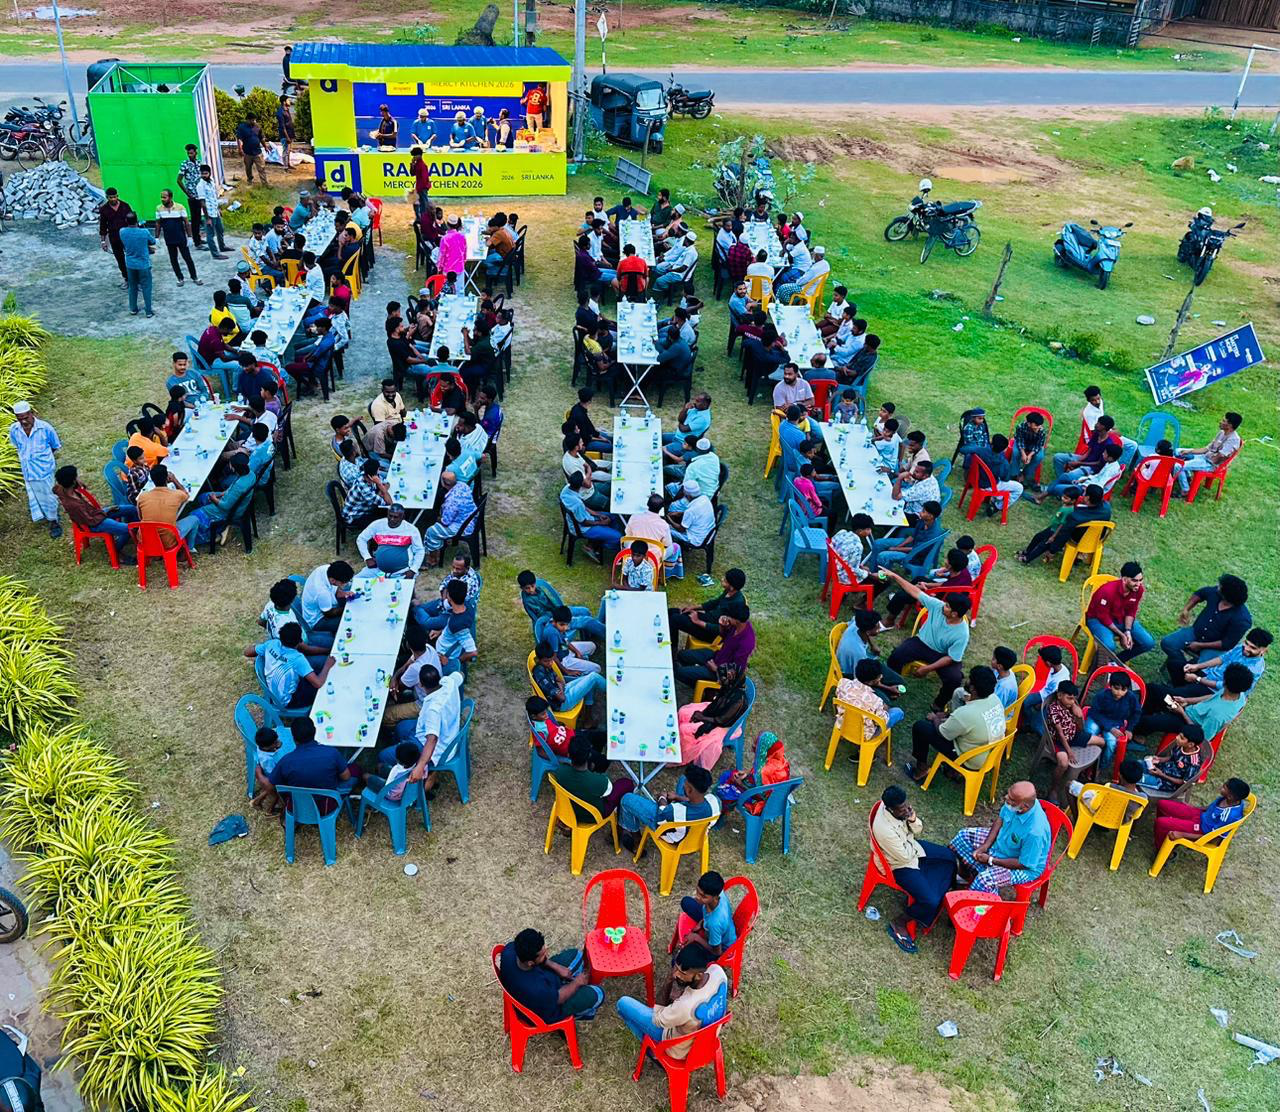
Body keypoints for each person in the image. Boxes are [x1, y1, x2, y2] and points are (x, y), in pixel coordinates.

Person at [875, 785, 958, 952]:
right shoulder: (885, 830)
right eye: (902, 809)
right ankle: (899, 922)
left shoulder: (899, 809)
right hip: (897, 864)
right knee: (930, 900)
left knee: (949, 858)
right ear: (891, 809)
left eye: (907, 805)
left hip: (910, 846)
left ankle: (937, 892)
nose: (907, 810)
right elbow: (905, 857)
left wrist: (912, 819)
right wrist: (916, 849)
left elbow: (917, 830)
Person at [616, 942, 727, 1058]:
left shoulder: (685, 1006)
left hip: (678, 1050)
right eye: (676, 968)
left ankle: (652, 1051)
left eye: (682, 973)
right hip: (706, 1041)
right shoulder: (718, 972)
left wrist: (668, 981)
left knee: (623, 1003)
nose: (675, 974)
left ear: (699, 975)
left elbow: (656, 1019)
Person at [903, 666, 1004, 783]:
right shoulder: (994, 699)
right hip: (990, 753)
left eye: (969, 679)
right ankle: (952, 771)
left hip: (969, 760)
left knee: (921, 727)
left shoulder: (965, 714)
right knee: (959, 697)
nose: (967, 680)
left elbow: (942, 732)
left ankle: (921, 771)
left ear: (973, 689)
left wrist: (935, 718)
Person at [500, 928, 604, 1024]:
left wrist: (555, 966)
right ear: (530, 963)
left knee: (576, 955)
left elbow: (539, 962)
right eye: (542, 955)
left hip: (540, 987)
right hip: (546, 1012)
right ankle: (578, 1015)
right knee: (598, 993)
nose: (546, 954)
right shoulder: (537, 989)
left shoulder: (509, 951)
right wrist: (577, 982)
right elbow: (560, 997)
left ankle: (567, 984)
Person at [1161, 574, 1251, 682]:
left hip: (1214, 647)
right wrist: (1186, 609)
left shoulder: (1242, 619)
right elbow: (1201, 593)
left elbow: (1227, 643)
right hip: (1196, 633)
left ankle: (1183, 677)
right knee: (1168, 643)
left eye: (1220, 586)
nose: (1217, 587)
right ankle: (1182, 668)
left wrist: (1199, 645)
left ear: (1227, 595)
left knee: (1203, 669)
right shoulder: (1216, 593)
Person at [1137, 661, 1253, 741]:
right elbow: (1210, 697)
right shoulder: (1239, 694)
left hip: (1186, 723)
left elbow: (1201, 736)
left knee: (1147, 721)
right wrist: (1187, 700)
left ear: (1225, 683)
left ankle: (1138, 733)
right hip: (1188, 709)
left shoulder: (1217, 716)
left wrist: (1181, 712)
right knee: (1153, 689)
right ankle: (1145, 713)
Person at [618, 764, 721, 853]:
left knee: (627, 799)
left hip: (674, 836)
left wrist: (662, 798)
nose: (684, 786)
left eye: (686, 786)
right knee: (683, 778)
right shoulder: (715, 802)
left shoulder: (676, 811)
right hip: (695, 833)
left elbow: (662, 813)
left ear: (690, 790)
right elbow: (691, 800)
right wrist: (678, 797)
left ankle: (637, 843)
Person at [1017, 484, 1111, 566]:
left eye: (1085, 494)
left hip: (1078, 538)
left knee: (1046, 540)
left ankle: (1027, 558)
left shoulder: (1076, 516)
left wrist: (1053, 550)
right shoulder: (1107, 508)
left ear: (1087, 498)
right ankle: (1028, 553)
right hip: (1095, 539)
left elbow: (1063, 533)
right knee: (1044, 535)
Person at [1151, 777, 1249, 854]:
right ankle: (1162, 836)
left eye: (1224, 788)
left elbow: (1212, 838)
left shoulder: (1229, 816)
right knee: (1162, 804)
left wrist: (1182, 834)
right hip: (1200, 815)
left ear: (1230, 796)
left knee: (1161, 823)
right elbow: (1211, 808)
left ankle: (1164, 852)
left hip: (1200, 829)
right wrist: (1194, 808)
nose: (1220, 787)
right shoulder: (1230, 799)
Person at [250, 622, 336, 709]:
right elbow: (318, 683)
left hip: (273, 696)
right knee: (327, 680)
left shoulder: (272, 644)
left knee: (313, 672)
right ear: (300, 641)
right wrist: (327, 665)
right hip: (288, 701)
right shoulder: (297, 658)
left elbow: (247, 652)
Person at [677, 664, 748, 769]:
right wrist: (703, 713)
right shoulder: (730, 686)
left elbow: (722, 720)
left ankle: (678, 752)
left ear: (731, 678)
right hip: (715, 713)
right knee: (684, 712)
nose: (718, 682)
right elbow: (715, 703)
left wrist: (702, 717)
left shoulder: (738, 701)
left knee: (686, 730)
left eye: (721, 679)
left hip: (723, 725)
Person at [1169, 627, 1270, 700]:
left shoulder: (1253, 669)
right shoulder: (1241, 648)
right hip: (1208, 673)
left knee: (1168, 693)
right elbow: (1222, 659)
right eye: (1246, 643)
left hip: (1213, 690)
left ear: (1264, 650)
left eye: (1252, 648)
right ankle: (1182, 690)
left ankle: (1182, 695)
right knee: (1173, 664)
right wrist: (1197, 666)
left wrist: (1197, 679)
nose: (1246, 648)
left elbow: (1225, 686)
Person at [8, 401, 62, 538]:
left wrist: (42, 459)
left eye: (26, 417)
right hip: (28, 470)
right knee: (35, 494)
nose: (24, 421)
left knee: (49, 495)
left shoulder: (45, 428)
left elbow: (54, 445)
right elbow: (17, 445)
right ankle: (42, 514)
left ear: (32, 413)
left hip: (44, 470)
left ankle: (54, 521)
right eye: (20, 419)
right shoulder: (14, 430)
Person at [548, 734, 633, 819]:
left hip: (568, 810)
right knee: (627, 783)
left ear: (568, 755)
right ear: (589, 755)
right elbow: (608, 791)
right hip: (593, 816)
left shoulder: (560, 771)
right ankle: (622, 820)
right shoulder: (598, 781)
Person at [52, 464, 138, 548]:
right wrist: (105, 512)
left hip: (94, 514)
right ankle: (117, 549)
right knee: (129, 528)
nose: (79, 478)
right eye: (77, 477)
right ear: (73, 481)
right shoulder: (75, 505)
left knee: (132, 509)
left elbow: (55, 488)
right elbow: (91, 521)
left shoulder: (61, 488)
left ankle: (134, 529)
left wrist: (78, 483)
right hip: (95, 523)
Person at [1085, 561, 1154, 662]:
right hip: (1098, 620)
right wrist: (1122, 635)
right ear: (1124, 579)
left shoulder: (1138, 590)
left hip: (1120, 618)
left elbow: (1131, 611)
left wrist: (1127, 631)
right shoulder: (1107, 591)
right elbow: (1103, 617)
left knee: (1148, 643)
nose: (1138, 584)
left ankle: (1117, 661)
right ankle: (1099, 667)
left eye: (1141, 580)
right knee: (1108, 646)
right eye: (1135, 581)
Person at [834, 658, 906, 748]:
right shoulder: (876, 701)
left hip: (842, 724)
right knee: (898, 712)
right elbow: (882, 722)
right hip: (864, 735)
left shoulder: (842, 683)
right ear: (871, 682)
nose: (881, 677)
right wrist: (885, 709)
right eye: (879, 676)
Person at [674, 610, 754, 689]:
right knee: (681, 655)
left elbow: (737, 672)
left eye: (728, 617)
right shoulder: (736, 626)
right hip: (716, 656)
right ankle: (693, 676)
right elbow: (723, 637)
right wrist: (722, 626)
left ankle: (703, 687)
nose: (726, 618)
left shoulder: (746, 642)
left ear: (736, 620)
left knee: (678, 672)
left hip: (718, 672)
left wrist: (716, 669)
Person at [518, 570, 605, 642]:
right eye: (527, 588)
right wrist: (560, 614)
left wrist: (560, 607)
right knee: (587, 620)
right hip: (554, 620)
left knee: (584, 611)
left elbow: (553, 598)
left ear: (535, 583)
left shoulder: (539, 588)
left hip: (558, 610)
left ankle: (588, 636)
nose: (531, 590)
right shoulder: (528, 601)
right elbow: (542, 617)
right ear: (522, 588)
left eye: (532, 586)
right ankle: (608, 635)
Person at [1085, 670, 1141, 775]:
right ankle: (1086, 760)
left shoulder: (1131, 697)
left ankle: (1101, 766)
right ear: (1110, 686)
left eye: (1123, 689)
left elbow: (1136, 713)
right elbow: (1095, 712)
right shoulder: (1102, 695)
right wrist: (1110, 728)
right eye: (1116, 688)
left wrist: (1129, 729)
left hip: (1116, 722)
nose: (1119, 692)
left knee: (1111, 743)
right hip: (1098, 719)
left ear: (1127, 689)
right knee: (1089, 733)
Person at [672, 871, 736, 958]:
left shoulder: (714, 923)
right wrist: (702, 923)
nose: (698, 897)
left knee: (681, 959)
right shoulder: (719, 893)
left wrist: (696, 938)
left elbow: (717, 952)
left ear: (715, 897)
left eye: (703, 896)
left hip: (722, 948)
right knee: (686, 902)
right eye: (697, 891)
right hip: (716, 926)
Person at [1176, 411, 1241, 496]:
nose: (1220, 422)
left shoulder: (1233, 440)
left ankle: (1185, 490)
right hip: (1204, 457)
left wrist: (1197, 460)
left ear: (1230, 425)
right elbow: (1207, 449)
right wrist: (1190, 452)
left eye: (1223, 421)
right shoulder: (1222, 432)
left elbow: (1219, 457)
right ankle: (1187, 477)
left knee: (1178, 465)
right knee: (1177, 451)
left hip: (1210, 464)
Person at [532, 639, 605, 713]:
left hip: (564, 690)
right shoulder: (540, 675)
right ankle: (610, 690)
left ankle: (588, 709)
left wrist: (560, 688)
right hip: (563, 704)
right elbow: (562, 698)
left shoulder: (546, 666)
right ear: (538, 659)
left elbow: (560, 680)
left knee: (589, 677)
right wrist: (561, 687)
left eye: (551, 660)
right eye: (546, 661)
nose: (550, 663)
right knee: (593, 677)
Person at [356, 504, 423, 576]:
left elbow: (419, 550)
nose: (392, 519)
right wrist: (367, 557)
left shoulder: (411, 530)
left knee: (404, 584)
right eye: (390, 516)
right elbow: (361, 539)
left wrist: (413, 570)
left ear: (403, 517)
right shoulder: (377, 525)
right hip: (377, 570)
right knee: (356, 581)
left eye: (395, 517)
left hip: (402, 572)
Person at [560, 472, 621, 550]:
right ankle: (599, 546)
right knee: (618, 536)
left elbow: (584, 507)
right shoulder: (577, 504)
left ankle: (604, 536)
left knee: (613, 516)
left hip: (584, 518)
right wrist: (601, 523)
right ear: (581, 485)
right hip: (583, 528)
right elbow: (584, 522)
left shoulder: (566, 489)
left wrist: (598, 515)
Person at [1136, 725, 1205, 793]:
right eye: (1179, 735)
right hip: (1160, 769)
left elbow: (1184, 783)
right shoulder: (1181, 745)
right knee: (1136, 765)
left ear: (1190, 744)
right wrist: (1159, 759)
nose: (1177, 737)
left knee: (1135, 777)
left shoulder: (1194, 763)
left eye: (1181, 738)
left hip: (1166, 783)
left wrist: (1161, 775)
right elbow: (1172, 758)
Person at [424, 470, 477, 559]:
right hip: (470, 517)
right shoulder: (462, 485)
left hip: (464, 526)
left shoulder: (451, 502)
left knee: (431, 531)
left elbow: (445, 522)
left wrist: (436, 518)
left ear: (444, 483)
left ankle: (433, 558)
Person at [155, 188, 200, 287]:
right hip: (169, 239)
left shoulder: (180, 207)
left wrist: (189, 237)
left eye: (164, 197)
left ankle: (194, 277)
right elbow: (158, 224)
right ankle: (180, 278)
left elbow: (186, 223)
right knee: (173, 259)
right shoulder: (159, 208)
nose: (162, 199)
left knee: (187, 258)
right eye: (161, 197)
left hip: (181, 238)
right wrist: (156, 237)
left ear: (170, 197)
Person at [116, 212, 156, 318]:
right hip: (143, 264)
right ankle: (148, 311)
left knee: (132, 287)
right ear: (137, 221)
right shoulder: (144, 232)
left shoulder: (122, 231)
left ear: (126, 221)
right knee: (146, 287)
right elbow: (152, 241)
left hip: (130, 264)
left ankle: (133, 308)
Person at [300, 560, 356, 633]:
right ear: (332, 580)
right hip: (317, 620)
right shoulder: (322, 592)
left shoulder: (327, 569)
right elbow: (329, 613)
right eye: (343, 583)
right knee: (350, 622)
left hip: (323, 605)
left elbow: (334, 589)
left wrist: (343, 593)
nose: (345, 585)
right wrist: (346, 609)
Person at [195, 163, 227, 258]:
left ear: (209, 173)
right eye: (202, 173)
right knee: (210, 235)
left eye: (205, 173)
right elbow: (202, 203)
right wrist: (207, 218)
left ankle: (222, 246)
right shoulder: (200, 186)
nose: (204, 175)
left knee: (220, 229)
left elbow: (214, 197)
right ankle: (215, 254)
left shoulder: (212, 182)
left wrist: (218, 209)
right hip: (208, 213)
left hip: (215, 211)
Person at [176, 144, 205, 248]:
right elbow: (179, 180)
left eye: (191, 153)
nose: (190, 155)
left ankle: (199, 238)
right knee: (195, 218)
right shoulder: (185, 164)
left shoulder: (199, 163)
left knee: (199, 217)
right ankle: (197, 242)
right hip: (192, 196)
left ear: (196, 153)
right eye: (188, 153)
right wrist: (187, 193)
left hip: (200, 194)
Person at [236, 113, 268, 184]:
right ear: (247, 120)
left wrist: (265, 146)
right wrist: (240, 149)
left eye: (255, 120)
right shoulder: (242, 127)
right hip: (247, 153)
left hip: (258, 152)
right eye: (253, 120)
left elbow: (261, 138)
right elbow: (239, 139)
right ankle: (250, 180)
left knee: (261, 168)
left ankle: (265, 183)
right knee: (248, 168)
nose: (254, 121)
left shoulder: (257, 127)